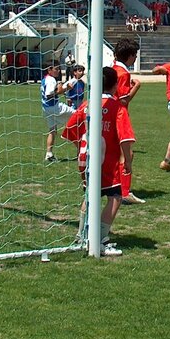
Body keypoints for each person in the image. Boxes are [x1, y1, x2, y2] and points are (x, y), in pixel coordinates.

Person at [62, 66, 134, 256]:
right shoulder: (117, 107)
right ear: (115, 85)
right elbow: (125, 138)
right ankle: (100, 237)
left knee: (90, 196)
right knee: (115, 196)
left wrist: (81, 150)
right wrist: (127, 161)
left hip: (85, 159)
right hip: (106, 161)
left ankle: (81, 234)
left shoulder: (87, 104)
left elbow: (71, 130)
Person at [112, 37, 144, 204]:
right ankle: (125, 192)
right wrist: (136, 87)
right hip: (119, 116)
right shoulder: (123, 73)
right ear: (131, 56)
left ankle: (115, 188)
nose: (136, 58)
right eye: (135, 54)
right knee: (126, 154)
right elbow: (124, 100)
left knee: (114, 154)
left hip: (107, 114)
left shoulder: (112, 68)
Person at [41, 63, 76, 163]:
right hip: (55, 107)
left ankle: (49, 154)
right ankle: (83, 145)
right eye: (56, 69)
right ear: (49, 70)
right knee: (79, 114)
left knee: (52, 130)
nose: (58, 71)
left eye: (59, 69)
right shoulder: (51, 80)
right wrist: (63, 89)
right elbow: (49, 94)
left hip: (46, 108)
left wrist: (63, 88)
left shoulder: (45, 79)